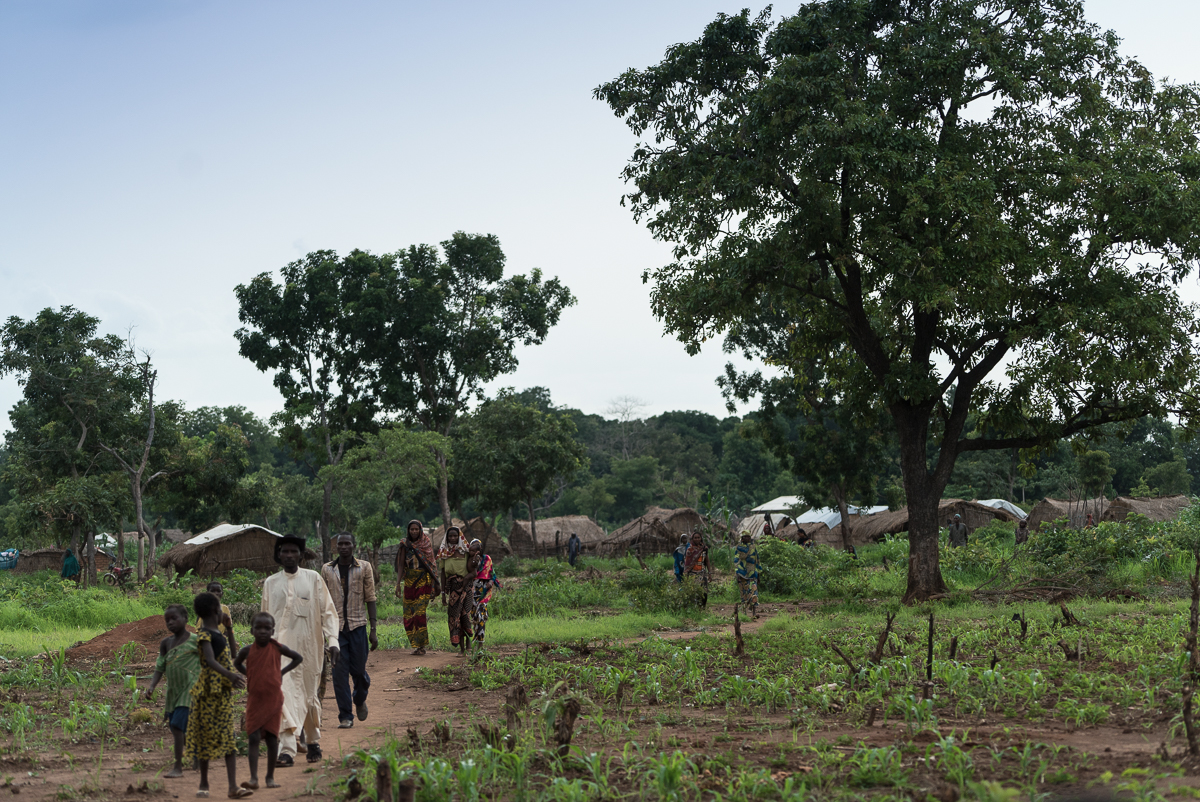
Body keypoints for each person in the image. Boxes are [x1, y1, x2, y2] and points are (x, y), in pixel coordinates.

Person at [260, 535, 339, 767]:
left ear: (301, 555)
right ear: (278, 555)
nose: (289, 555)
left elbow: (328, 612)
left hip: (309, 650)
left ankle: (313, 741)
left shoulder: (313, 579)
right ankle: (287, 749)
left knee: (308, 696)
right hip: (278, 652)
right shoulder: (270, 583)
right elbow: (264, 619)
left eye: (294, 551)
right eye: (284, 551)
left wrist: (333, 641)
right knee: (282, 697)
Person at [186, 592, 249, 799]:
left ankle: (232, 786)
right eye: (221, 608)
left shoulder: (218, 634)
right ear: (216, 611)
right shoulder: (204, 634)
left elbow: (232, 653)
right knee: (205, 737)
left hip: (221, 693)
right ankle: (204, 783)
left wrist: (230, 629)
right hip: (207, 692)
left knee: (228, 738)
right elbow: (210, 660)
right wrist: (230, 674)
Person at [234, 612, 303, 791]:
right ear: (251, 630)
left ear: (273, 630)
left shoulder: (277, 647)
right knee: (254, 738)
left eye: (267, 628)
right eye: (259, 628)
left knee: (273, 739)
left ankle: (270, 777)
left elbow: (298, 658)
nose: (263, 631)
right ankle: (254, 778)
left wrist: (281, 672)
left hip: (273, 700)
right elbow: (237, 663)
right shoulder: (247, 650)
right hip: (255, 701)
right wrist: (248, 674)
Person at [320, 532, 377, 729]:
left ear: (354, 546)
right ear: (336, 547)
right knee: (339, 673)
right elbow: (322, 601)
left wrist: (374, 629)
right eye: (340, 544)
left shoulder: (364, 567)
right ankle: (345, 715)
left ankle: (359, 699)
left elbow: (370, 597)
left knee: (359, 671)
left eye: (347, 544)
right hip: (335, 630)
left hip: (358, 626)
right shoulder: (327, 570)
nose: (343, 547)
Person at [146, 604, 200, 779]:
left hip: (190, 690)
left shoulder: (196, 640)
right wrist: (152, 686)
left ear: (185, 619)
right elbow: (159, 667)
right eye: (167, 620)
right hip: (173, 692)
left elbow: (211, 660)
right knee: (175, 727)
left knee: (177, 725)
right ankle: (196, 751)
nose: (170, 622)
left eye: (174, 618)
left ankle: (178, 767)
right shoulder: (166, 643)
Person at [394, 520, 440, 656]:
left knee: (419, 612)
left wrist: (436, 584)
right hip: (409, 582)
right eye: (411, 529)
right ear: (408, 531)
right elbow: (401, 565)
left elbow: (431, 565)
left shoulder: (426, 544)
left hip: (423, 581)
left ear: (420, 530)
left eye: (416, 529)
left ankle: (422, 645)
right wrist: (397, 584)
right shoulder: (404, 545)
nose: (414, 531)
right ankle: (416, 644)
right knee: (409, 614)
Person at [438, 526, 473, 655]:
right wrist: (442, 593)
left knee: (466, 615)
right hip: (452, 588)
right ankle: (461, 648)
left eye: (455, 536)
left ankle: (469, 646)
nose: (452, 538)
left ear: (459, 537)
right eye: (450, 536)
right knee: (454, 617)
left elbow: (473, 569)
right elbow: (442, 573)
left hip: (466, 587)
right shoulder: (444, 553)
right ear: (447, 538)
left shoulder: (466, 551)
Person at [467, 539, 500, 656]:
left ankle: (480, 644)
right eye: (472, 549)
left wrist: (491, 581)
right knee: (474, 616)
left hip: (483, 590)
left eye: (477, 548)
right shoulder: (468, 559)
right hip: (471, 590)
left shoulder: (487, 559)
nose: (474, 551)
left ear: (480, 549)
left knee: (480, 615)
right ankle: (473, 642)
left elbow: (492, 573)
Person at [197, 581, 238, 657]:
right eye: (212, 591)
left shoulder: (225, 609)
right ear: (208, 593)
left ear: (222, 593)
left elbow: (228, 627)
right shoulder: (204, 609)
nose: (216, 593)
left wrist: (223, 636)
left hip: (221, 640)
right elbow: (199, 629)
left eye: (218, 591)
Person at [681, 530, 711, 608]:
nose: (697, 539)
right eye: (695, 538)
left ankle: (702, 608)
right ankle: (694, 608)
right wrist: (686, 575)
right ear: (692, 539)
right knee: (694, 592)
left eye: (698, 537)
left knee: (704, 592)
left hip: (702, 572)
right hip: (692, 574)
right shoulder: (690, 550)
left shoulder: (704, 548)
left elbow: (707, 561)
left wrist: (710, 573)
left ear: (701, 538)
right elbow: (687, 564)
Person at [733, 532, 760, 619]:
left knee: (754, 592)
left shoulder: (753, 546)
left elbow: (757, 559)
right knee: (744, 593)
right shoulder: (739, 547)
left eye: (748, 536)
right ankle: (744, 613)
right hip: (742, 573)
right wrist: (737, 572)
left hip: (752, 573)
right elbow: (736, 560)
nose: (747, 538)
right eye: (745, 537)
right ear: (742, 538)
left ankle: (754, 613)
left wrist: (758, 572)